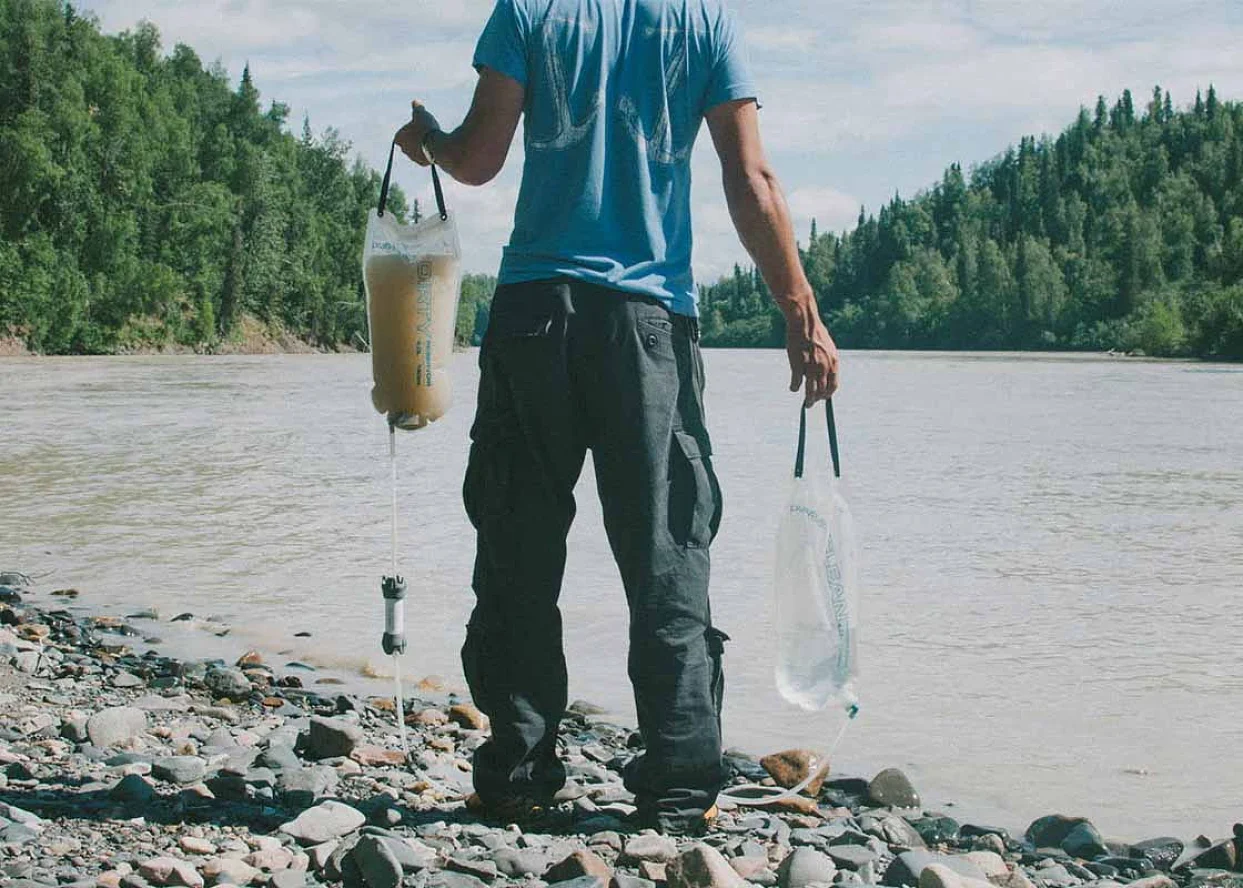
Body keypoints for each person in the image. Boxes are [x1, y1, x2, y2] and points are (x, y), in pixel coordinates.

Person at [395, 0, 839, 836]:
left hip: (534, 317)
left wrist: (429, 142)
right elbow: (751, 180)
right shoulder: (704, 22)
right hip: (648, 325)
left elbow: (479, 160)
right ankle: (676, 789)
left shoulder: (528, 9)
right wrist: (799, 312)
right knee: (666, 553)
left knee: (517, 548)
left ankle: (518, 776)